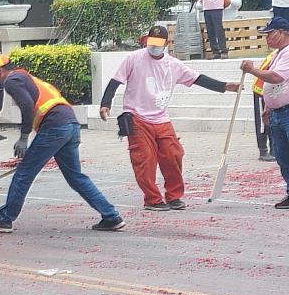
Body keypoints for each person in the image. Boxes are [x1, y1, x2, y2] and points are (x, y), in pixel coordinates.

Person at [0, 55, 125, 233]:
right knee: (75, 177)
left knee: (24, 172)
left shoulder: (12, 80)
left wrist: (24, 137)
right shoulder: (26, 76)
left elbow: (26, 105)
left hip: (54, 126)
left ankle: (5, 219)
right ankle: (111, 216)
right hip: (70, 125)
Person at [99, 25, 240, 211]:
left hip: (161, 118)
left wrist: (224, 86)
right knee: (144, 159)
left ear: (166, 44)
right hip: (137, 117)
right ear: (146, 40)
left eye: (158, 44)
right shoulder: (133, 59)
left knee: (173, 155)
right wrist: (105, 103)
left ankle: (174, 196)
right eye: (151, 42)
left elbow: (197, 78)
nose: (154, 47)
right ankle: (152, 199)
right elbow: (115, 81)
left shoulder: (173, 64)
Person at [241, 17, 289, 209]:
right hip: (279, 111)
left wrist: (252, 70)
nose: (267, 38)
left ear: (283, 33)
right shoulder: (278, 54)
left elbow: (277, 77)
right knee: (282, 155)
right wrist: (268, 106)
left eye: (270, 34)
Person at [252, 51, 276, 162]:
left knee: (272, 120)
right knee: (263, 121)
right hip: (261, 89)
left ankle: (274, 150)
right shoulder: (280, 54)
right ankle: (263, 150)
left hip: (275, 89)